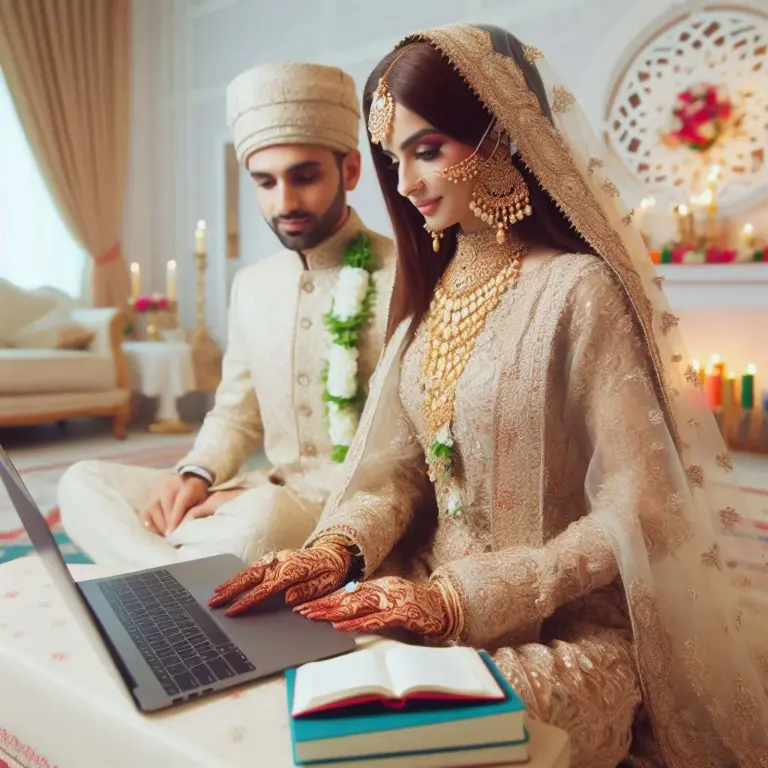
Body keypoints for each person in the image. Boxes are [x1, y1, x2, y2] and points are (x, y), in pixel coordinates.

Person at [204, 25, 768, 768]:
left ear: (502, 135)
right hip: (418, 595)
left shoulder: (577, 289)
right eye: (394, 158)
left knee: (400, 740)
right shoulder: (431, 293)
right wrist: (342, 550)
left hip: (558, 629)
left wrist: (472, 597)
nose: (404, 184)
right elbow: (402, 473)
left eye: (428, 149)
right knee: (287, 691)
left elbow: (643, 502)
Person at [57, 61, 396, 569]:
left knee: (256, 528)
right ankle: (181, 575)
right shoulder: (252, 286)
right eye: (265, 182)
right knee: (82, 483)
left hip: (343, 507)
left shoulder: (402, 275)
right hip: (264, 489)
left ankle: (159, 569)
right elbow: (236, 412)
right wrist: (195, 476)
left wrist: (237, 505)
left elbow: (398, 451)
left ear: (349, 169)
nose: (284, 202)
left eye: (304, 177)